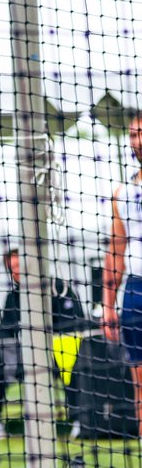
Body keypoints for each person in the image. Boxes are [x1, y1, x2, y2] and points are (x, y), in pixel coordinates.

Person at [0, 247, 85, 440]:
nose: (17, 271)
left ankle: (81, 420)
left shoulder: (60, 289)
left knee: (72, 360)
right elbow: (4, 333)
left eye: (19, 265)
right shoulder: (13, 297)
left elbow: (74, 326)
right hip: (24, 357)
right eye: (12, 267)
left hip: (58, 355)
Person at [103, 112, 142, 439]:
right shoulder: (124, 193)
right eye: (132, 134)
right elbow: (116, 249)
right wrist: (107, 305)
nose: (137, 141)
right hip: (137, 291)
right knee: (140, 383)